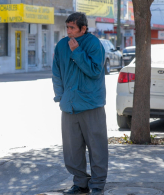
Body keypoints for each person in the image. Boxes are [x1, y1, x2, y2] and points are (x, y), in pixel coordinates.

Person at [52, 12, 108, 195]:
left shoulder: (94, 44)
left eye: (72, 28)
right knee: (72, 149)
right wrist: (61, 97)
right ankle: (80, 184)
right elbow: (56, 73)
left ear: (83, 28)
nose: (68, 32)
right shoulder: (61, 46)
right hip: (69, 106)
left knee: (97, 148)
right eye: (67, 27)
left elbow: (94, 71)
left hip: (91, 105)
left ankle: (97, 185)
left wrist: (77, 51)